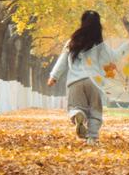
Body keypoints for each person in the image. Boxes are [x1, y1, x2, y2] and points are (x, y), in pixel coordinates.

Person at [46, 10, 117, 143]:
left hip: (75, 82)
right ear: (98, 26)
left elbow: (62, 61)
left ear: (82, 23)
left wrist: (54, 76)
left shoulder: (72, 42)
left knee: (75, 107)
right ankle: (92, 138)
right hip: (94, 82)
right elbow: (112, 60)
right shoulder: (100, 45)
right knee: (95, 110)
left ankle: (77, 115)